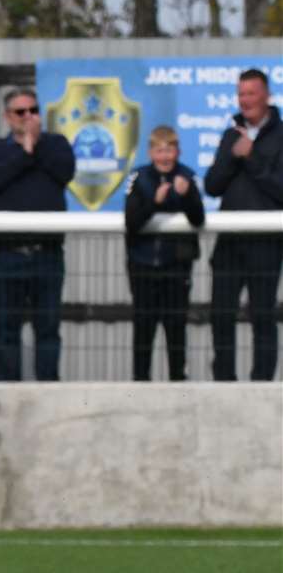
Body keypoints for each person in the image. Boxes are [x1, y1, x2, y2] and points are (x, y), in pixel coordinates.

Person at [0, 88, 76, 382]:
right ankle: (9, 389)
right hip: (8, 254)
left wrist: (35, 145)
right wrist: (25, 153)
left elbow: (65, 171)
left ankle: (48, 389)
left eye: (33, 110)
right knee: (7, 328)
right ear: (8, 117)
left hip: (47, 253)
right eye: (21, 112)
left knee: (47, 328)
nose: (29, 117)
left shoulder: (56, 144)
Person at [203, 68, 282, 383]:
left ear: (266, 95)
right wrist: (233, 156)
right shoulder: (230, 135)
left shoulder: (281, 134)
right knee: (221, 314)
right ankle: (224, 382)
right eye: (241, 94)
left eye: (251, 93)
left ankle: (261, 385)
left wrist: (252, 157)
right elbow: (212, 185)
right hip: (230, 244)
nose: (245, 100)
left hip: (266, 243)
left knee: (262, 316)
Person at [123, 127, 207, 382]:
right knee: (143, 327)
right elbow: (132, 222)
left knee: (175, 327)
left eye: (169, 150)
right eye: (159, 150)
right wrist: (155, 202)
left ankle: (177, 379)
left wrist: (187, 196)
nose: (165, 156)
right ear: (150, 152)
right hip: (143, 264)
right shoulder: (139, 178)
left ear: (178, 151)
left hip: (176, 266)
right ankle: (140, 380)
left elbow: (198, 218)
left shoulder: (187, 177)